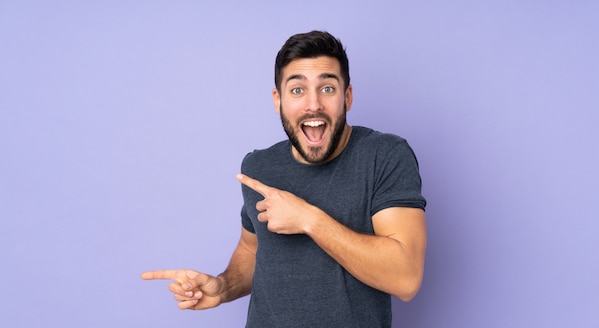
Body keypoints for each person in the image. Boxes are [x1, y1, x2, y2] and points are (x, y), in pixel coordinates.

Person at [142, 30, 427, 327]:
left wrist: (309, 220)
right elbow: (252, 249)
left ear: (348, 96)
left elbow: (405, 277)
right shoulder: (259, 167)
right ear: (278, 100)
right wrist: (223, 287)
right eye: (297, 90)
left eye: (327, 88)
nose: (313, 104)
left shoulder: (384, 156)